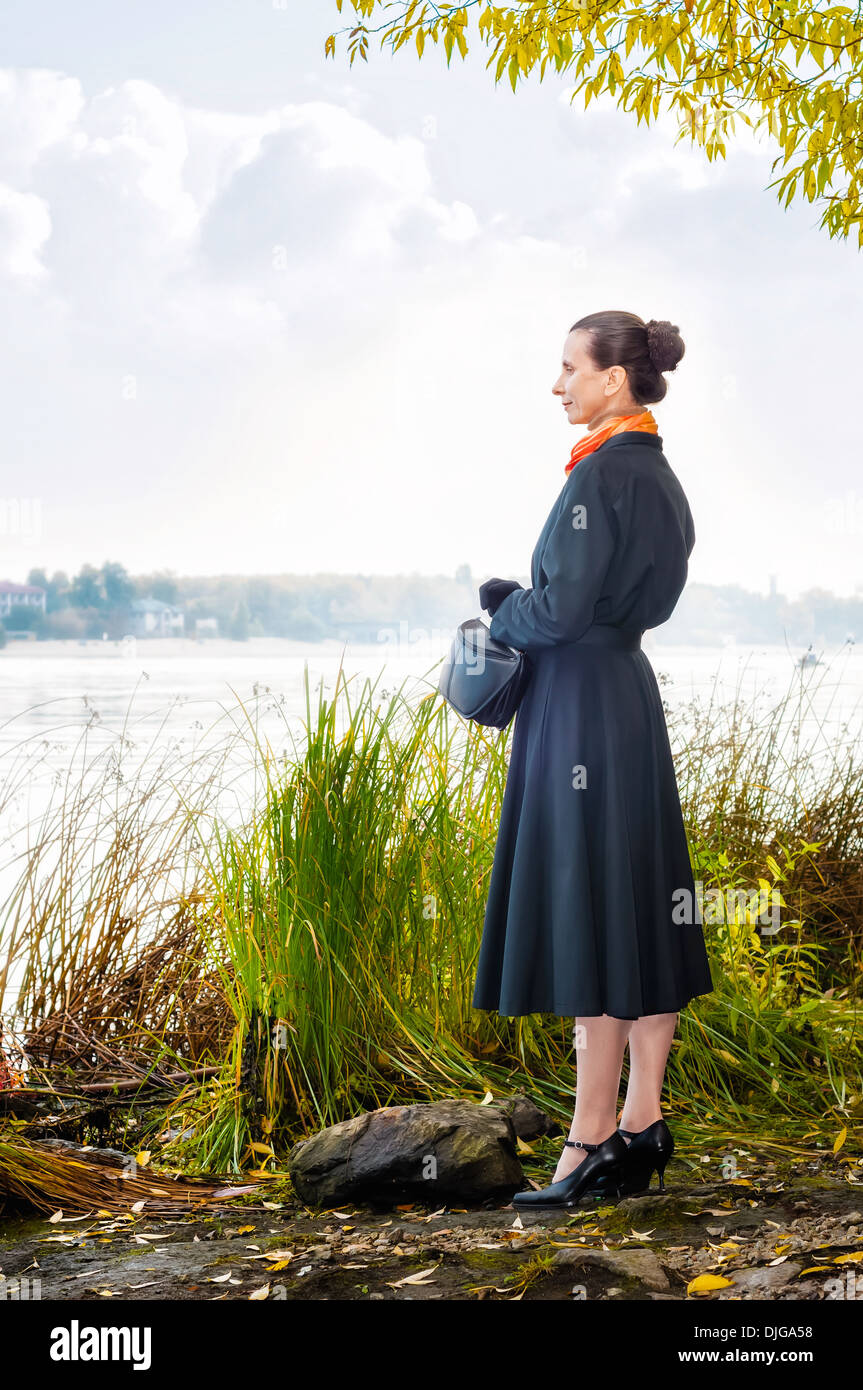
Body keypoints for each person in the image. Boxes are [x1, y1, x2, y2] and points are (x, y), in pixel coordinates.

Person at [472, 310, 715, 1209]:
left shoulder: (597, 477)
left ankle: (586, 1142)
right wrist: (539, 602)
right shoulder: (658, 476)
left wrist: (502, 613)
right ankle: (641, 1123)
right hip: (624, 697)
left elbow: (562, 609)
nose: (557, 383)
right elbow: (619, 601)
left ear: (613, 379)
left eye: (569, 367)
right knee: (636, 908)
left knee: (590, 913)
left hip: (575, 704)